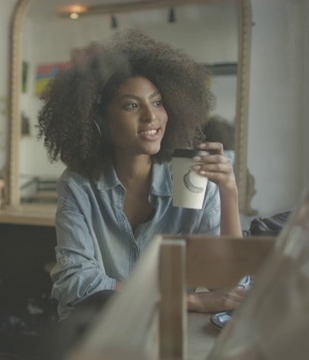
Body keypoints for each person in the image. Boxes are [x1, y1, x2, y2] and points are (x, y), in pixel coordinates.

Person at [36, 29, 245, 356]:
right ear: (98, 119)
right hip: (96, 333)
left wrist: (229, 194)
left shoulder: (187, 175)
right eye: (132, 105)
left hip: (164, 334)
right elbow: (76, 285)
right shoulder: (80, 184)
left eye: (158, 102)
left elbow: (226, 286)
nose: (152, 117)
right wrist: (186, 299)